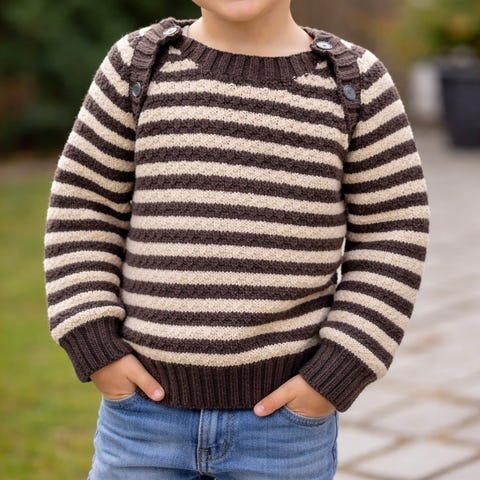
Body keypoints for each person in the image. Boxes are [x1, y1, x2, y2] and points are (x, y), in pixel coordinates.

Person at [42, 1, 430, 478]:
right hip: (142, 421)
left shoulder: (354, 83)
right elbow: (84, 207)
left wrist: (337, 371)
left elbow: (393, 232)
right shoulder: (139, 64)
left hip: (284, 431)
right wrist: (95, 343)